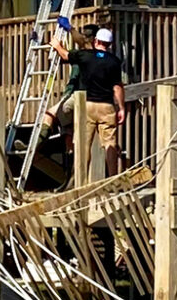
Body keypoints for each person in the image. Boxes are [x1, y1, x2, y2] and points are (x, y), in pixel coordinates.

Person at [54, 27, 128, 183]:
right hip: (106, 107)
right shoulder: (114, 62)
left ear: (96, 41)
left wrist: (57, 45)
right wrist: (121, 108)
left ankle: (81, 180)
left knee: (84, 143)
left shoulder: (85, 56)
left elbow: (66, 55)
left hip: (87, 105)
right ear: (109, 44)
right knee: (110, 144)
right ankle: (113, 178)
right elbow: (117, 87)